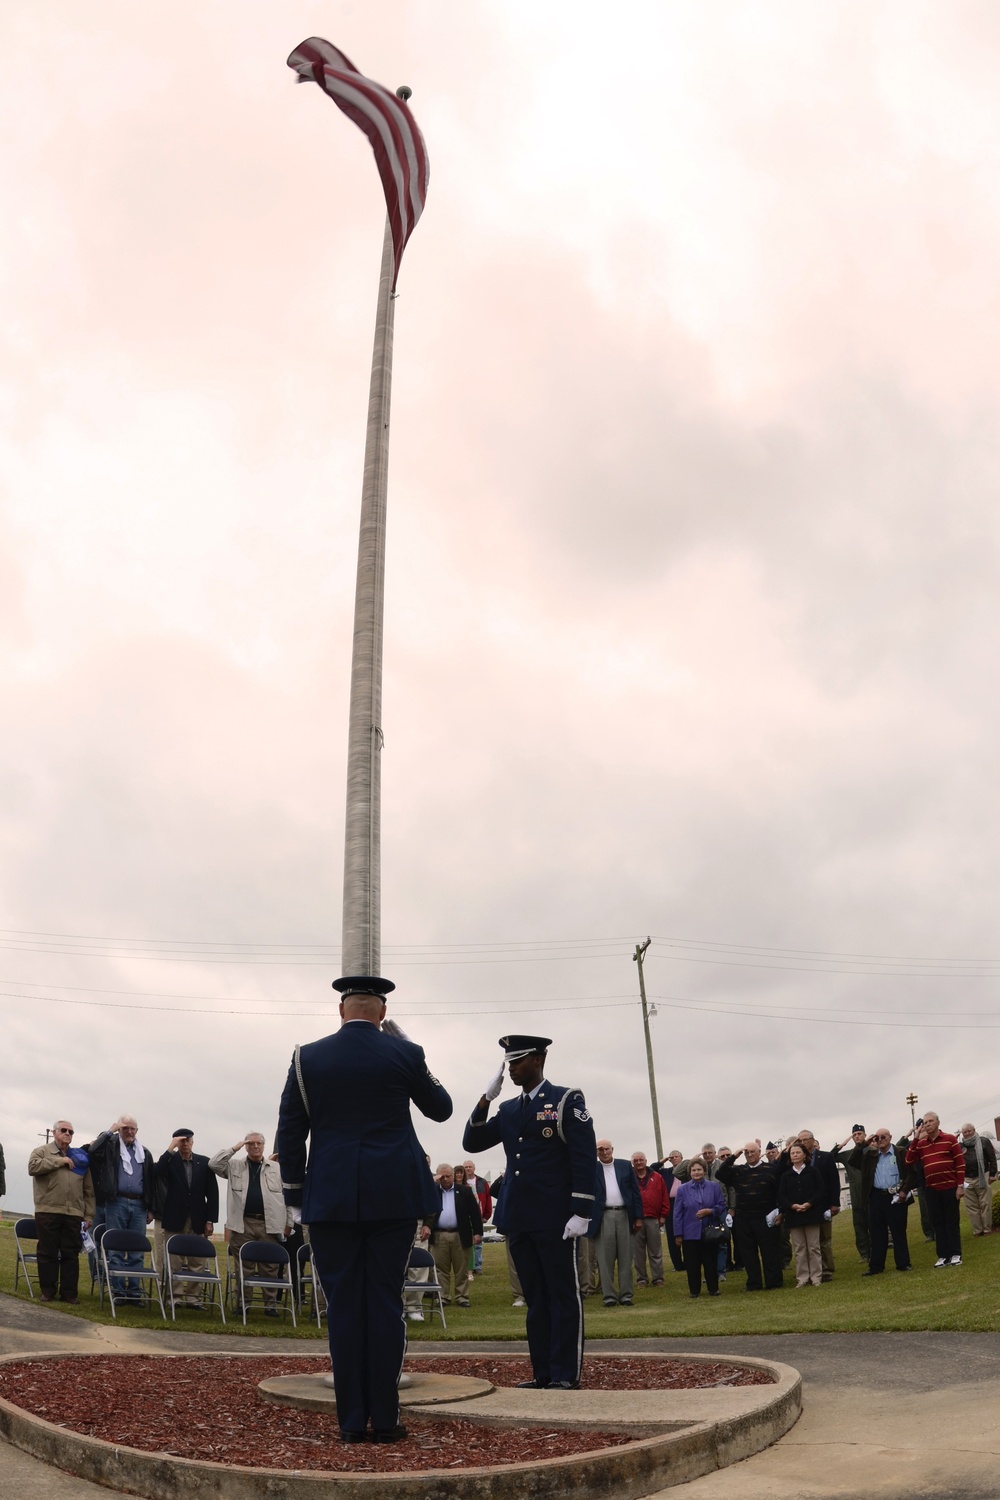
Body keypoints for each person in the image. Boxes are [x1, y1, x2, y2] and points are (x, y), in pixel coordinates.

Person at [276, 975, 452, 1443]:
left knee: (344, 1308)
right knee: (384, 1302)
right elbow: (441, 1108)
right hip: (392, 1196)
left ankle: (352, 1420)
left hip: (330, 1197)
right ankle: (387, 1417)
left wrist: (295, 1196)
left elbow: (290, 1132)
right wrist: (411, 1049)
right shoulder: (404, 1054)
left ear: (341, 1011)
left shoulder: (305, 1057)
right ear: (382, 1012)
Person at [463, 1033, 597, 1390]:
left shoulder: (566, 1099)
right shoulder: (508, 1109)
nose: (512, 1069)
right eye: (509, 1063)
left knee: (562, 1294)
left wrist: (581, 1210)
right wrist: (484, 1100)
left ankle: (565, 1374)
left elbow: (583, 1158)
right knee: (535, 1298)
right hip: (520, 1216)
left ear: (538, 1060)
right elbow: (472, 1142)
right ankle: (543, 1373)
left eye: (518, 1061)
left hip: (555, 1217)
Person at [209, 1133, 293, 1317]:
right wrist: (234, 1148)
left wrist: (289, 1223)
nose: (255, 1146)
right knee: (244, 1266)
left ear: (264, 1146)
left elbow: (286, 1198)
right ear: (246, 1146)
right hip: (242, 1223)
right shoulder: (234, 1165)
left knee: (269, 1266)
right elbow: (214, 1164)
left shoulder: (277, 1168)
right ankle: (242, 1304)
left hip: (269, 1223)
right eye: (251, 1143)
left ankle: (269, 1305)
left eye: (259, 1143)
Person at [84, 1115, 156, 1300]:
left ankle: (133, 1291)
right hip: (116, 1202)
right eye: (125, 1129)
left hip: (139, 1204)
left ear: (137, 1131)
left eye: (132, 1129)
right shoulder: (111, 1147)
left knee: (136, 1250)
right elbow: (92, 1151)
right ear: (119, 1130)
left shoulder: (144, 1153)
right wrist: (110, 1130)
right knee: (115, 1248)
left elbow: (150, 1181)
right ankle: (117, 1291)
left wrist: (151, 1207)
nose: (129, 1132)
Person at [28, 1122, 95, 1304]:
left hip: (73, 1213)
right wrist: (60, 1161)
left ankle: (69, 1294)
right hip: (48, 1210)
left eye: (71, 1131)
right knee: (47, 1252)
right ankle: (48, 1292)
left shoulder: (80, 1157)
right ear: (55, 1132)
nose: (67, 1133)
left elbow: (88, 1190)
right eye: (63, 1130)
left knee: (70, 1254)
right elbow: (32, 1168)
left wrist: (88, 1215)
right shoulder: (42, 1152)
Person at [154, 1129, 219, 1305]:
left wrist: (210, 1220)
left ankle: (193, 1298)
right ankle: (173, 1298)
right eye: (181, 1141)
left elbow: (212, 1193)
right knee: (174, 1260)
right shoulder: (170, 1161)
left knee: (197, 1261)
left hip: (198, 1218)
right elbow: (158, 1172)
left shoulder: (204, 1162)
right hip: (174, 1218)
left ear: (193, 1142)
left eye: (188, 1140)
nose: (185, 1144)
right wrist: (170, 1148)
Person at [715, 1141, 783, 1291]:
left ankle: (774, 1282)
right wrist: (733, 1156)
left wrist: (781, 1211)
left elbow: (780, 1191)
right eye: (747, 1153)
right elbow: (719, 1174)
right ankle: (754, 1283)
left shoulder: (771, 1169)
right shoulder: (738, 1170)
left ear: (759, 1152)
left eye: (753, 1152)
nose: (750, 1155)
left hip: (767, 1217)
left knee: (770, 1251)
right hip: (744, 1218)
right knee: (748, 1253)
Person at [849, 1129, 914, 1275]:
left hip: (896, 1196)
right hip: (876, 1197)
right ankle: (876, 1267)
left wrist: (904, 1191)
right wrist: (862, 1145)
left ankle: (903, 1263)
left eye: (883, 1137)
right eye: (877, 1138)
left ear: (890, 1137)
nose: (880, 1140)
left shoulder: (900, 1152)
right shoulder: (870, 1155)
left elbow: (911, 1172)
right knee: (877, 1233)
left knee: (898, 1231)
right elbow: (853, 1161)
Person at [905, 1112, 965, 1267]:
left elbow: (959, 1163)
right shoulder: (921, 1144)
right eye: (925, 1122)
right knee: (937, 1223)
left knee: (951, 1222)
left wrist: (960, 1186)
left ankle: (955, 1254)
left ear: (938, 1123)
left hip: (950, 1187)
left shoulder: (950, 1139)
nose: (927, 1124)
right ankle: (943, 1256)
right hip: (931, 1190)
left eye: (931, 1121)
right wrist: (916, 1138)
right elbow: (909, 1159)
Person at [588, 1140, 642, 1307]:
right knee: (605, 1259)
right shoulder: (592, 1168)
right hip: (603, 1216)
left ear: (612, 1149)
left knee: (626, 1258)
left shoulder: (625, 1166)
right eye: (600, 1149)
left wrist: (638, 1217)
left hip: (625, 1214)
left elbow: (635, 1192)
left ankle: (626, 1295)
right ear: (596, 1152)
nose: (604, 1152)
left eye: (607, 1149)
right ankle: (609, 1296)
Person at [426, 1164, 482, 1307]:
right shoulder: (432, 1192)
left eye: (448, 1176)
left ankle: (462, 1297)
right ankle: (443, 1297)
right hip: (439, 1236)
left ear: (453, 1175)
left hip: (460, 1234)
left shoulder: (464, 1191)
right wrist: (432, 1183)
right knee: (441, 1269)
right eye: (442, 1176)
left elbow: (474, 1213)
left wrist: (477, 1232)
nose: (445, 1179)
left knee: (461, 1268)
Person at [672, 1157, 728, 1298]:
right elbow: (677, 1213)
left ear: (704, 1171)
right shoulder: (682, 1189)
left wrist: (710, 1211)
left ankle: (713, 1289)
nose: (696, 1172)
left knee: (710, 1261)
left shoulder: (714, 1187)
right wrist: (678, 1234)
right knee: (692, 1264)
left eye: (699, 1170)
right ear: (689, 1172)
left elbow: (721, 1205)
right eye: (693, 1170)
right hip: (690, 1233)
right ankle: (694, 1291)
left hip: (709, 1231)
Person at [792, 1131, 841, 1281]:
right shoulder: (798, 1160)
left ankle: (826, 1270)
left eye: (806, 1140)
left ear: (813, 1141)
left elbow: (834, 1181)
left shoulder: (825, 1157)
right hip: (805, 1206)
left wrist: (835, 1203)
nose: (803, 1142)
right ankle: (810, 1271)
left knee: (824, 1239)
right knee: (808, 1242)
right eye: (800, 1140)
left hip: (824, 1204)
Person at [777, 1142, 827, 1287]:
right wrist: (792, 1206)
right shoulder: (786, 1175)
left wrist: (809, 1203)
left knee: (814, 1247)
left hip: (812, 1214)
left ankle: (816, 1277)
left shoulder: (813, 1171)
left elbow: (820, 1190)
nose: (795, 1155)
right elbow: (782, 1195)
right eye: (792, 1153)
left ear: (804, 1155)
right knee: (799, 1249)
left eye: (798, 1152)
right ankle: (802, 1278)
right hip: (794, 1216)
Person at [631, 1150, 669, 1287]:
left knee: (655, 1251)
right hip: (636, 1220)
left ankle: (658, 1278)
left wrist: (663, 1215)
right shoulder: (629, 1178)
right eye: (635, 1161)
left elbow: (665, 1197)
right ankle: (641, 1279)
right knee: (638, 1252)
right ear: (632, 1163)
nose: (639, 1162)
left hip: (653, 1219)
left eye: (641, 1160)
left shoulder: (657, 1177)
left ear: (646, 1161)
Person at [834, 1126, 871, 1262]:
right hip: (856, 1196)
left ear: (864, 1135)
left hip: (871, 1194)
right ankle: (864, 1254)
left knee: (873, 1224)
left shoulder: (871, 1151)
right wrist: (841, 1145)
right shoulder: (847, 1154)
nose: (857, 1137)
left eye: (859, 1134)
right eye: (854, 1134)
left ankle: (876, 1250)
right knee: (859, 1226)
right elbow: (830, 1157)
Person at [957, 1124, 996, 1237]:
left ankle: (987, 1229)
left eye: (969, 1131)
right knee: (971, 1206)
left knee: (985, 1204)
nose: (967, 1133)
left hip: (982, 1176)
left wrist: (992, 1174)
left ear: (974, 1130)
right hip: (967, 1179)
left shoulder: (983, 1141)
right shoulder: (960, 1146)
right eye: (965, 1132)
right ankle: (977, 1231)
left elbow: (992, 1158)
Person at [463, 1160, 492, 1274]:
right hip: (465, 1217)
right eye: (466, 1167)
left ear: (474, 1168)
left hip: (478, 1216)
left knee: (478, 1242)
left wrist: (486, 1215)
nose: (468, 1169)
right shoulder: (461, 1182)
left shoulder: (482, 1182)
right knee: (466, 1242)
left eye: (470, 1167)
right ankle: (467, 1266)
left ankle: (477, 1266)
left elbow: (488, 1199)